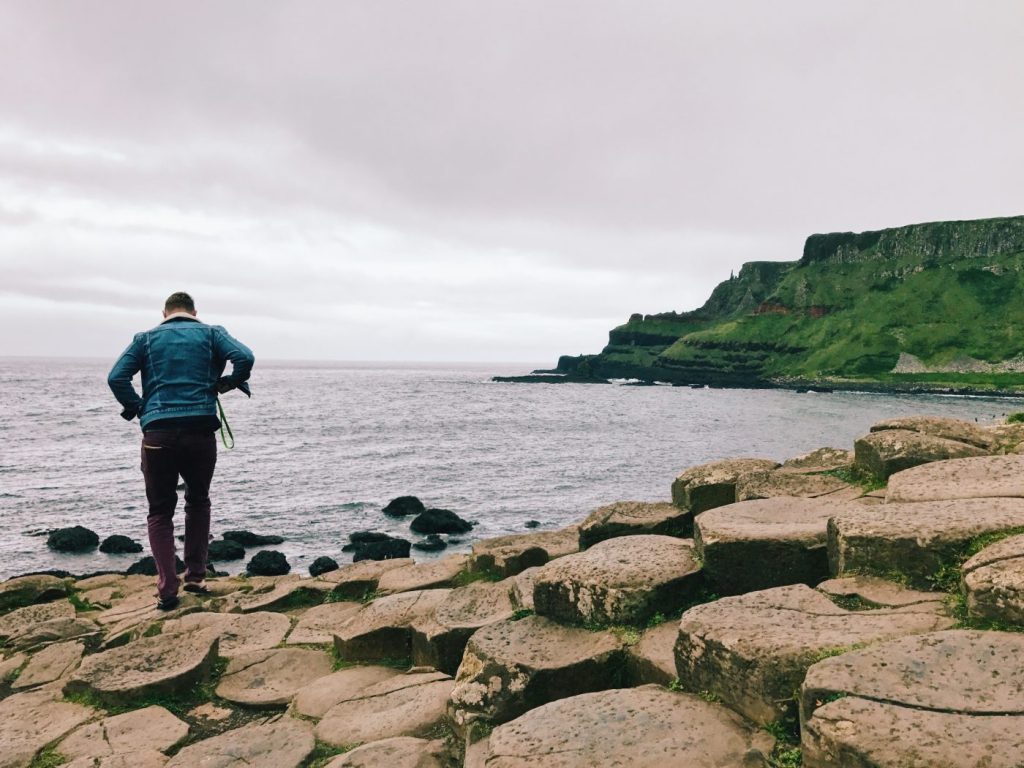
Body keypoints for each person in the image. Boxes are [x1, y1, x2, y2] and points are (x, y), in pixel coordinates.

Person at [108, 292, 254, 610]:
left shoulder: (145, 339)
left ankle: (167, 588)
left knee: (159, 511)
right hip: (200, 430)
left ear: (165, 312)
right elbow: (245, 357)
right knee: (198, 501)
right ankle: (196, 577)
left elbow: (116, 377)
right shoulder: (213, 332)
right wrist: (228, 383)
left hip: (157, 433)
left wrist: (138, 407)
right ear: (194, 312)